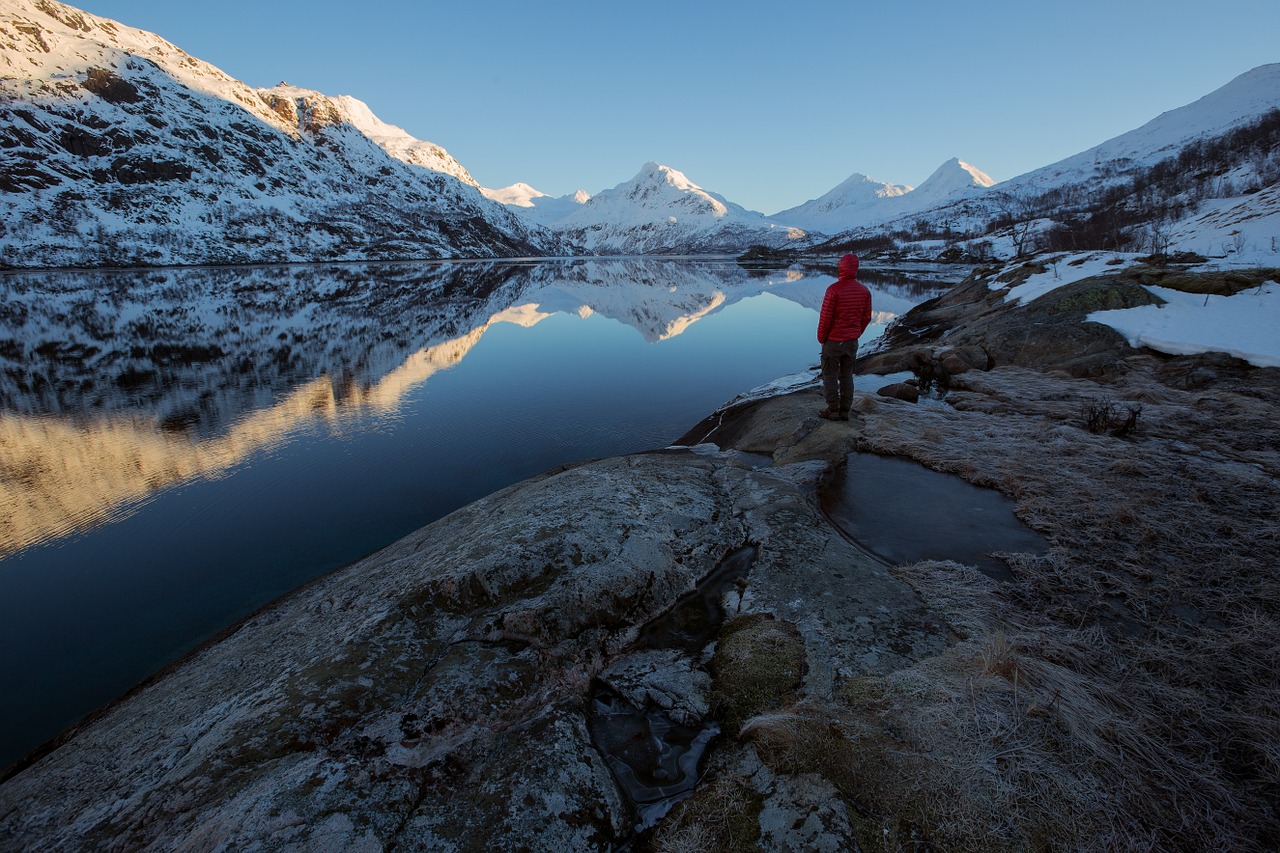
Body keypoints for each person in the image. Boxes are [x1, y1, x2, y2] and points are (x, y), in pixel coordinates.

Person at [816, 253, 873, 421]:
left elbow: (825, 318)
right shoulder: (864, 291)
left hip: (833, 341)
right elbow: (866, 317)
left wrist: (821, 338)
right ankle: (845, 411)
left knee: (830, 375)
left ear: (840, 268)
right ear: (855, 269)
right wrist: (855, 333)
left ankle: (833, 409)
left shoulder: (833, 290)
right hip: (851, 342)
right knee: (847, 375)